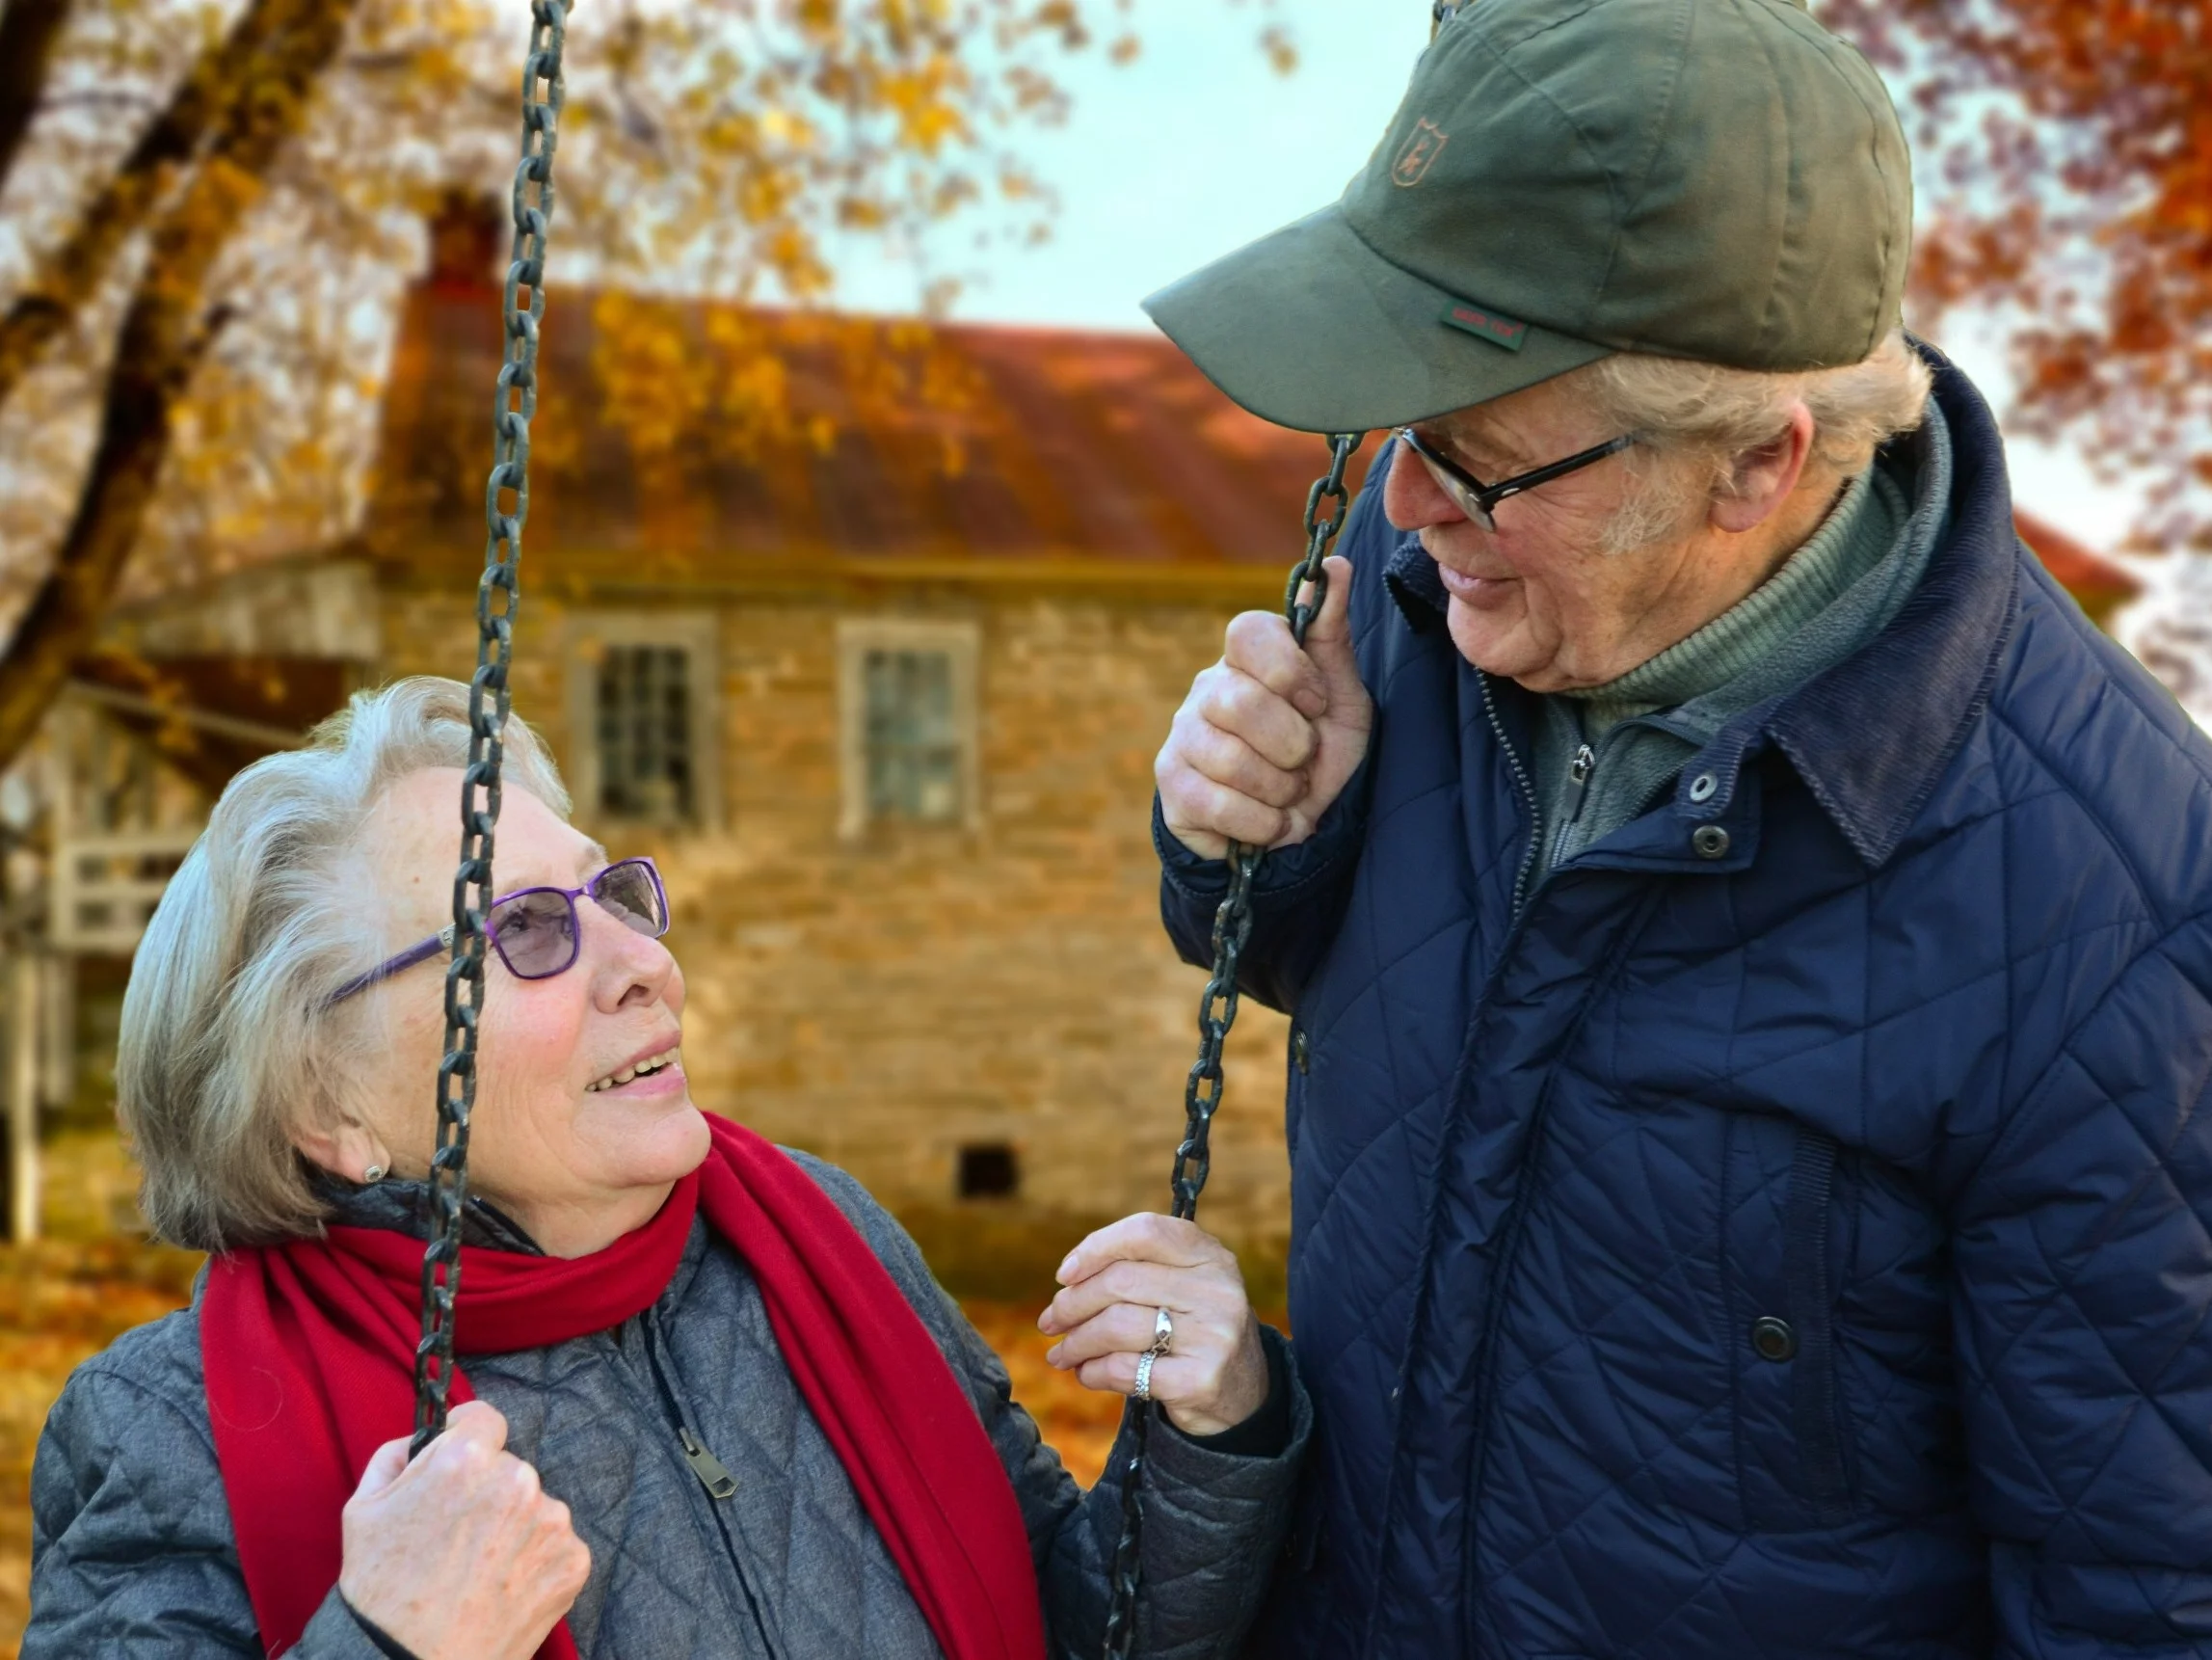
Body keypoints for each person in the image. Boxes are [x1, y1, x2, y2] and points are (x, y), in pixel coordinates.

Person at [1144, 2, 2212, 1656]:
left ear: (1754, 467)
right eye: (1398, 438)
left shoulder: (2114, 910)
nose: (1410, 508)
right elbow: (1345, 976)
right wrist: (1252, 839)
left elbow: (2144, 1589)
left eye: (1476, 461)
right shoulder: (1451, 581)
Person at [26, 677, 1306, 1660]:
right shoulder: (170, 1426)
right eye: (523, 931)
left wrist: (1205, 1432)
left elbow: (1071, 1623)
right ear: (327, 1105)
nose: (640, 958)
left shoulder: (819, 1241)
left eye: (612, 895)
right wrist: (388, 1639)